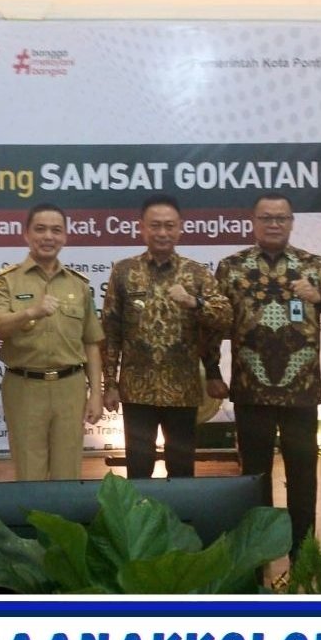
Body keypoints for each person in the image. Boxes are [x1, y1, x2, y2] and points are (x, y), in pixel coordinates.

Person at [204, 193, 321, 561]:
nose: (274, 224)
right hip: (251, 390)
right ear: (253, 222)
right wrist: (212, 370)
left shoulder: (313, 265)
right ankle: (258, 555)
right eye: (266, 217)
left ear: (291, 222)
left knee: (303, 474)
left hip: (301, 391)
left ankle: (304, 553)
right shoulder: (231, 267)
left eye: (281, 218)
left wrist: (318, 295)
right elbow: (213, 322)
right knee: (253, 477)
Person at [101, 194, 232, 479]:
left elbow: (224, 318)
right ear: (142, 228)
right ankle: (139, 510)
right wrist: (109, 384)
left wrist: (194, 303)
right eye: (155, 225)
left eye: (169, 226)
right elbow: (110, 331)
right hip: (137, 390)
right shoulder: (123, 271)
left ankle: (179, 510)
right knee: (138, 468)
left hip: (183, 389)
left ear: (180, 228)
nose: (162, 232)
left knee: (182, 470)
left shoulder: (196, 273)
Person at [0, 203, 104, 481]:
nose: (48, 236)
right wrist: (30, 313)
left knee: (68, 473)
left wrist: (96, 394)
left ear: (65, 237)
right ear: (26, 234)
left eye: (56, 230)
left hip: (70, 387)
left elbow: (91, 341)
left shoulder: (78, 284)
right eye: (40, 229)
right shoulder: (6, 281)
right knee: (30, 473)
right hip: (25, 387)